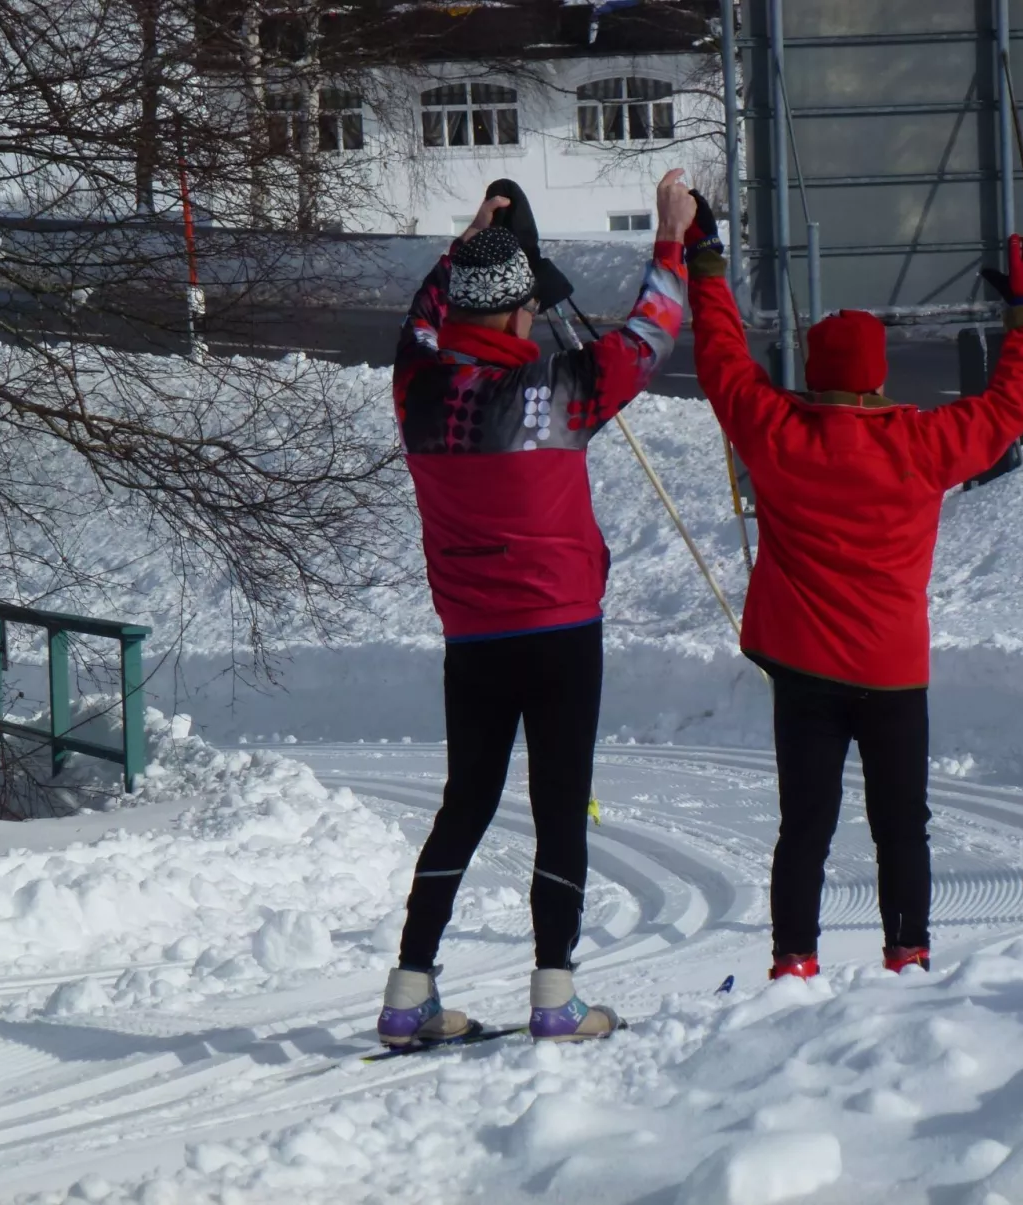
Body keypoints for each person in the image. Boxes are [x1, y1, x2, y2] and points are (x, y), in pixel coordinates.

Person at [683, 192, 1023, 980]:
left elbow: (721, 360)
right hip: (893, 671)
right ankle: (908, 951)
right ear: (880, 374)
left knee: (804, 825)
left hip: (805, 670)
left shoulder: (777, 432)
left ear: (815, 373)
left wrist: (706, 264)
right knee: (902, 825)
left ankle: (794, 961)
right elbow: (1009, 406)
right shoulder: (923, 443)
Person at [377, 170, 696, 1045]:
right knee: (560, 804)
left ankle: (409, 987)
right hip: (560, 628)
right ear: (523, 315)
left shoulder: (418, 390)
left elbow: (417, 324)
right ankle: (554, 992)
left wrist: (463, 248)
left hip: (472, 635)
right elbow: (651, 332)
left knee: (466, 802)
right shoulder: (562, 390)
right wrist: (670, 237)